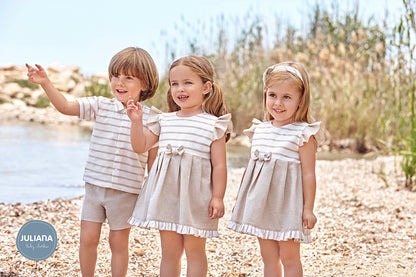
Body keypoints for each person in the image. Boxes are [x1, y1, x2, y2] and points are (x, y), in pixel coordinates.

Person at [26, 47, 159, 277]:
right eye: (116, 76)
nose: (120, 82)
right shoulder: (101, 105)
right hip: (94, 187)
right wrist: (46, 83)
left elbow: (153, 161)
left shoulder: (153, 118)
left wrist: (153, 192)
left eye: (128, 77)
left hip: (126, 192)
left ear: (145, 84)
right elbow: (65, 107)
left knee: (118, 243)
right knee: (87, 238)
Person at [126, 55, 232, 277]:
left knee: (195, 251)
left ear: (206, 87)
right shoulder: (164, 120)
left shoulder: (214, 124)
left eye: (187, 83)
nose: (180, 89)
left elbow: (220, 166)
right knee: (169, 252)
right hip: (167, 197)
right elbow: (140, 146)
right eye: (175, 83)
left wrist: (218, 197)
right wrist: (136, 122)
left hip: (196, 198)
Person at [227, 61, 320, 277]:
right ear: (266, 95)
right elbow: (251, 168)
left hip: (288, 207)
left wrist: (308, 209)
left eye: (287, 97)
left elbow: (308, 174)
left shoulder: (302, 134)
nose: (278, 103)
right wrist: (242, 200)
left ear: (300, 100)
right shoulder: (260, 130)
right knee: (268, 257)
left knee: (289, 257)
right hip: (262, 205)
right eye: (272, 95)